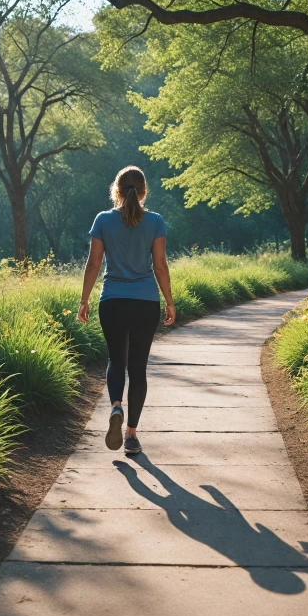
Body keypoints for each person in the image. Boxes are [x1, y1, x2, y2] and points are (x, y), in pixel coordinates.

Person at [78, 166, 175, 454]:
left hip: (113, 301)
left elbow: (94, 264)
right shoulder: (155, 221)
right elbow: (160, 265)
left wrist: (84, 300)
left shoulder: (103, 220)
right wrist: (169, 301)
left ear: (116, 191)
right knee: (138, 367)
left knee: (116, 360)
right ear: (144, 192)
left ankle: (116, 407)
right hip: (145, 302)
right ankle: (131, 435)